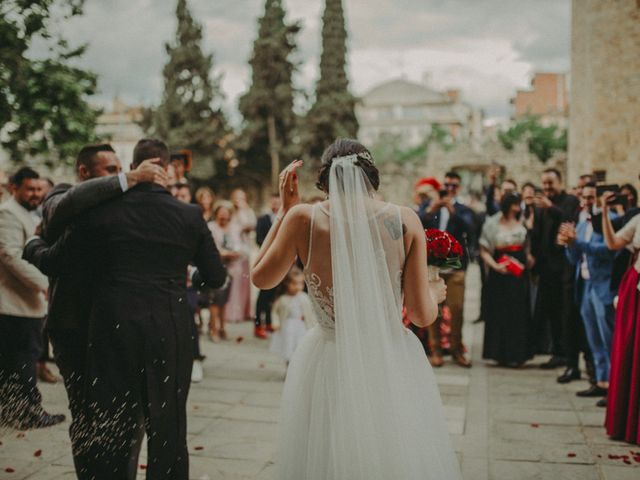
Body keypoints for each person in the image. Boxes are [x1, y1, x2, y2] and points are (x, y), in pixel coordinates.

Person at [251, 138, 461, 479]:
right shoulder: (404, 219)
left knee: (327, 456)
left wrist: (283, 213)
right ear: (371, 175)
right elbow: (422, 315)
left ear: (326, 178)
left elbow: (260, 278)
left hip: (327, 359)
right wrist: (435, 292)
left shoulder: (303, 218)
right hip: (388, 358)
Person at [27, 138, 228, 479]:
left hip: (112, 327)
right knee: (169, 429)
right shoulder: (189, 214)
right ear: (166, 169)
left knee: (114, 424)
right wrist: (187, 278)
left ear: (135, 166)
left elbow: (57, 260)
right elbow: (217, 276)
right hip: (170, 328)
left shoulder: (102, 211)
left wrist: (33, 246)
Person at [22, 144, 166, 478]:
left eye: (120, 168)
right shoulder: (63, 196)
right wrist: (128, 177)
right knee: (86, 413)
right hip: (74, 328)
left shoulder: (128, 207)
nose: (118, 175)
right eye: (109, 169)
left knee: (129, 415)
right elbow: (60, 211)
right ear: (84, 173)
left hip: (121, 327)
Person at [0, 167, 65, 430]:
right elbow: (10, 256)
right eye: (30, 189)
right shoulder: (7, 213)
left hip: (28, 304)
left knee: (19, 360)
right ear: (13, 188)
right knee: (23, 360)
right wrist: (45, 285)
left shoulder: (29, 212)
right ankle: (27, 413)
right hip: (15, 304)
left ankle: (14, 410)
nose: (37, 194)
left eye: (39, 189)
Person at [558, 183, 617, 406]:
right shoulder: (582, 223)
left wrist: (577, 243)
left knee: (608, 338)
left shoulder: (610, 220)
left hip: (603, 285)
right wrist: (568, 244)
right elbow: (574, 258)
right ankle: (601, 381)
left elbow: (607, 251)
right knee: (593, 337)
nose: (587, 202)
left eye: (591, 197)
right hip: (584, 285)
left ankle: (614, 385)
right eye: (584, 198)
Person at [534, 168, 593, 385]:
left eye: (550, 183)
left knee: (567, 314)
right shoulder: (541, 207)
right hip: (547, 269)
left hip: (566, 268)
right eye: (544, 183)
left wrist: (552, 208)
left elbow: (570, 221)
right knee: (552, 313)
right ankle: (558, 352)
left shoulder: (568, 202)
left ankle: (576, 362)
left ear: (559, 182)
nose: (547, 187)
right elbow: (539, 235)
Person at [421, 171, 474, 367]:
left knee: (457, 308)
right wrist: (432, 208)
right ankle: (435, 349)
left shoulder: (462, 209)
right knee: (433, 308)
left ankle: (456, 349)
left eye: (453, 186)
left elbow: (470, 228)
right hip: (433, 266)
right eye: (446, 186)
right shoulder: (429, 206)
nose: (449, 189)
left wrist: (453, 211)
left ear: (458, 188)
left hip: (455, 266)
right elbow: (417, 223)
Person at [601, 191, 640, 445]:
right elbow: (613, 243)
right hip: (636, 288)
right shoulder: (638, 220)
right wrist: (604, 212)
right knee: (631, 352)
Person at [479, 193, 532, 367]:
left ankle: (517, 353)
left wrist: (527, 260)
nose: (517, 208)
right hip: (499, 271)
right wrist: (495, 266)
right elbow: (484, 249)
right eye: (515, 204)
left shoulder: (523, 222)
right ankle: (499, 352)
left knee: (518, 312)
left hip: (518, 273)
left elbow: (527, 247)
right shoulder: (492, 224)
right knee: (500, 311)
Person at [173, 183, 206, 383]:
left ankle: (195, 359)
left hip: (188, 279)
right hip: (168, 279)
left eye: (183, 194)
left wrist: (191, 271)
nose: (179, 197)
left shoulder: (193, 218)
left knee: (188, 315)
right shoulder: (164, 216)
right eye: (175, 194)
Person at [205, 201, 242, 341]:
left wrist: (236, 252)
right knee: (214, 299)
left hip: (231, 269)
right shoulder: (211, 227)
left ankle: (222, 327)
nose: (224, 218)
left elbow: (239, 245)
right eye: (221, 215)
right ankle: (213, 329)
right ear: (216, 214)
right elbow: (210, 248)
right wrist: (224, 254)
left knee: (224, 300)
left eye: (226, 215)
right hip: (215, 267)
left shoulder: (234, 228)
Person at [269, 267, 316, 365]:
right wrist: (275, 323)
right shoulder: (282, 299)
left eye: (301, 284)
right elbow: (275, 312)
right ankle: (289, 366)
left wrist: (311, 321)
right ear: (287, 284)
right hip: (287, 327)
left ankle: (299, 367)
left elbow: (310, 311)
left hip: (301, 327)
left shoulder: (304, 298)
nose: (298, 287)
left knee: (300, 347)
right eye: (294, 284)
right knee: (288, 347)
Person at [254, 193, 282, 339]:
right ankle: (258, 324)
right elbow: (259, 239)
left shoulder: (286, 218)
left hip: (281, 261)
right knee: (263, 294)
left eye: (278, 202)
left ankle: (270, 322)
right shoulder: (263, 220)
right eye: (274, 202)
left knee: (274, 294)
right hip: (266, 260)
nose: (276, 205)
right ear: (270, 203)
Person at [228, 188, 256, 322]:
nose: (239, 200)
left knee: (245, 280)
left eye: (242, 197)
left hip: (244, 250)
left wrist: (242, 211)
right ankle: (233, 313)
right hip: (232, 248)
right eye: (237, 197)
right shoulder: (229, 211)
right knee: (235, 281)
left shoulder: (248, 212)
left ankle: (245, 311)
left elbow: (249, 226)